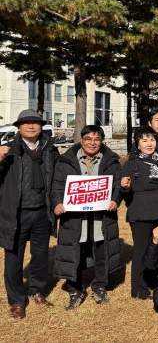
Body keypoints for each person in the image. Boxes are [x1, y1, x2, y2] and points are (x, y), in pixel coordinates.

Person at [52, 125, 123, 309]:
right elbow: (57, 186)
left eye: (97, 139)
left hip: (101, 216)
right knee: (75, 251)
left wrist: (115, 200)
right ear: (81, 140)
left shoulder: (111, 161)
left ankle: (99, 285)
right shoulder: (65, 161)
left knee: (101, 251)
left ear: (102, 141)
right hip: (75, 217)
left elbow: (117, 186)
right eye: (88, 139)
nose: (92, 143)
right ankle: (75, 288)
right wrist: (57, 203)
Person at [0, 109, 58, 318]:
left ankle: (37, 290)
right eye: (26, 123)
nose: (31, 126)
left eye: (35, 122)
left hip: (43, 211)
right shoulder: (9, 150)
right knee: (14, 258)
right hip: (16, 213)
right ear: (18, 127)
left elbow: (59, 177)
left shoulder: (50, 149)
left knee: (40, 255)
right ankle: (16, 300)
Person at [121, 126, 158, 299]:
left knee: (157, 249)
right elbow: (126, 194)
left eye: (152, 139)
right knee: (141, 250)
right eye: (144, 140)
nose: (149, 143)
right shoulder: (131, 163)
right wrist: (125, 187)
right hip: (141, 211)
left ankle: (154, 282)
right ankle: (139, 290)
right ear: (137, 144)